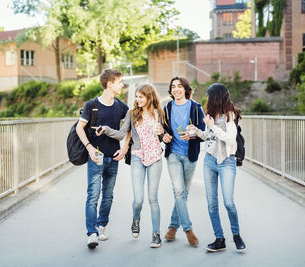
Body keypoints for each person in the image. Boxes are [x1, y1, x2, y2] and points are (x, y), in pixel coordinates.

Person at [95, 83, 165, 248]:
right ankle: (136, 219)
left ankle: (156, 235)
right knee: (138, 199)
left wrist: (162, 132)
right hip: (137, 157)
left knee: (153, 199)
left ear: (149, 97)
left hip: (155, 157)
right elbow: (121, 134)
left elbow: (164, 135)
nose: (137, 100)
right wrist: (105, 129)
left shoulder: (159, 113)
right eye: (136, 96)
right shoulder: (132, 114)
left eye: (141, 97)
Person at [189, 83, 246, 252]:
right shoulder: (210, 114)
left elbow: (230, 139)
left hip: (226, 161)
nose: (207, 99)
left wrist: (212, 125)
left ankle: (236, 235)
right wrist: (198, 132)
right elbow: (210, 137)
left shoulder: (230, 115)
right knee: (212, 204)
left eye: (209, 96)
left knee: (228, 202)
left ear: (216, 97)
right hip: (209, 161)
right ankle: (219, 239)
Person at [76, 69, 129, 248]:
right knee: (93, 196)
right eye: (120, 81)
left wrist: (125, 149)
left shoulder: (121, 107)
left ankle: (102, 225)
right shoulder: (92, 105)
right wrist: (90, 148)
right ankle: (92, 233)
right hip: (96, 156)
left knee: (108, 196)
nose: (122, 85)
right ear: (110, 83)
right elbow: (79, 128)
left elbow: (130, 127)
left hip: (113, 158)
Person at [161, 77, 205, 247]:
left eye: (179, 86)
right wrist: (163, 136)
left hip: (190, 155)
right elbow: (162, 130)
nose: (176, 89)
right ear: (171, 90)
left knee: (183, 194)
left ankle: (172, 228)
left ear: (185, 89)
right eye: (173, 86)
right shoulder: (167, 108)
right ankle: (188, 230)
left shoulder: (195, 107)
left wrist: (192, 134)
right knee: (179, 192)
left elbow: (203, 132)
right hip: (173, 154)